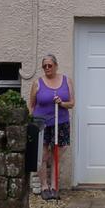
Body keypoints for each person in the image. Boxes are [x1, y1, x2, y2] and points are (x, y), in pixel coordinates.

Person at [29, 55, 73, 199]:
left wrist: (61, 103)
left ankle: (54, 186)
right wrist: (32, 123)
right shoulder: (37, 83)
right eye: (44, 66)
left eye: (49, 65)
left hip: (61, 123)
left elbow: (72, 103)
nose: (47, 68)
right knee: (43, 155)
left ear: (56, 65)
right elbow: (32, 105)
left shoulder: (66, 81)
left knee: (56, 156)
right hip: (41, 123)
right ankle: (44, 187)